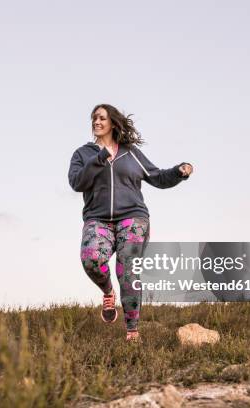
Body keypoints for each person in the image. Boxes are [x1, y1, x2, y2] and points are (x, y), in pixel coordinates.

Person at [68, 104, 193, 342]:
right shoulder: (83, 154)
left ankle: (132, 331)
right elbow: (77, 182)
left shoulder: (130, 152)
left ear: (113, 123)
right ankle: (107, 292)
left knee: (126, 269)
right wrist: (98, 159)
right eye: (94, 118)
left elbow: (158, 177)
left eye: (102, 118)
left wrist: (179, 171)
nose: (96, 122)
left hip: (133, 218)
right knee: (91, 260)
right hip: (98, 219)